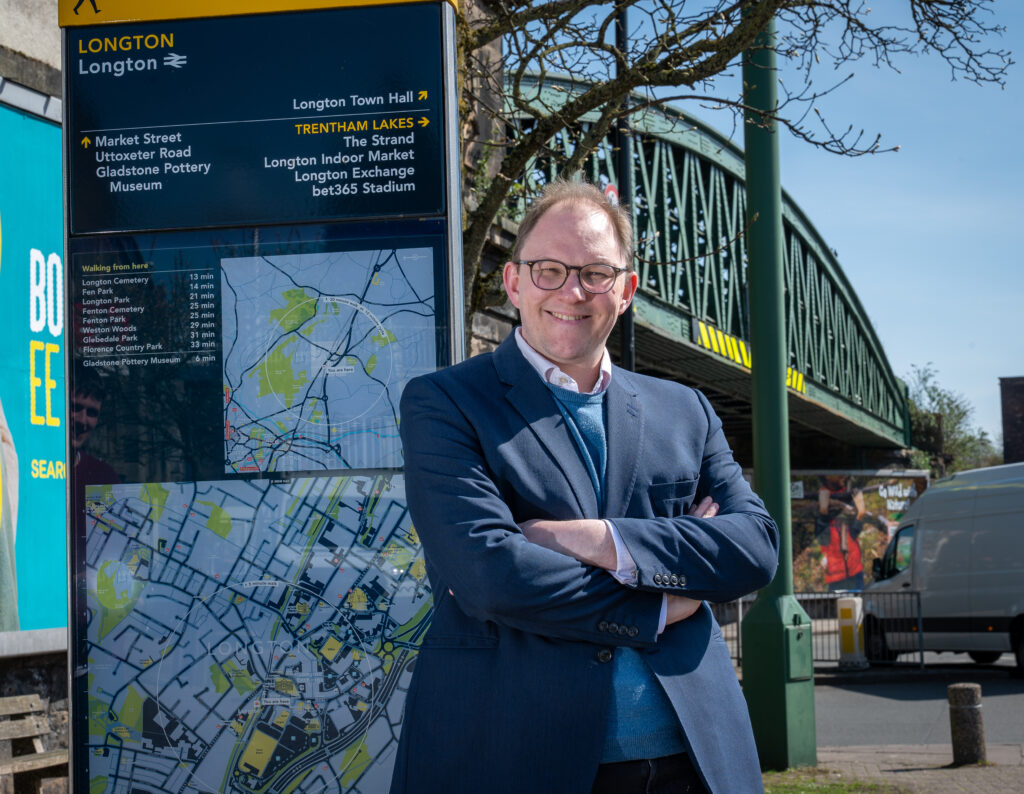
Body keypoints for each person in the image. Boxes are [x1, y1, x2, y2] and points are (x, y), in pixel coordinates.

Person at [392, 178, 779, 794]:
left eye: (596, 273)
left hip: (696, 756)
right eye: (548, 269)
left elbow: (755, 549)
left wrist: (600, 541)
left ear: (624, 291)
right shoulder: (445, 404)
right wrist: (661, 600)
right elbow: (491, 576)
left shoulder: (687, 411)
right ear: (514, 282)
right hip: (514, 753)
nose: (571, 291)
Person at [815, 475, 866, 591]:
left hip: (855, 571)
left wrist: (860, 514)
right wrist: (823, 513)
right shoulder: (820, 499)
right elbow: (822, 539)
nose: (844, 476)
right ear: (828, 477)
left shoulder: (848, 496)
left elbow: (854, 532)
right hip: (835, 575)